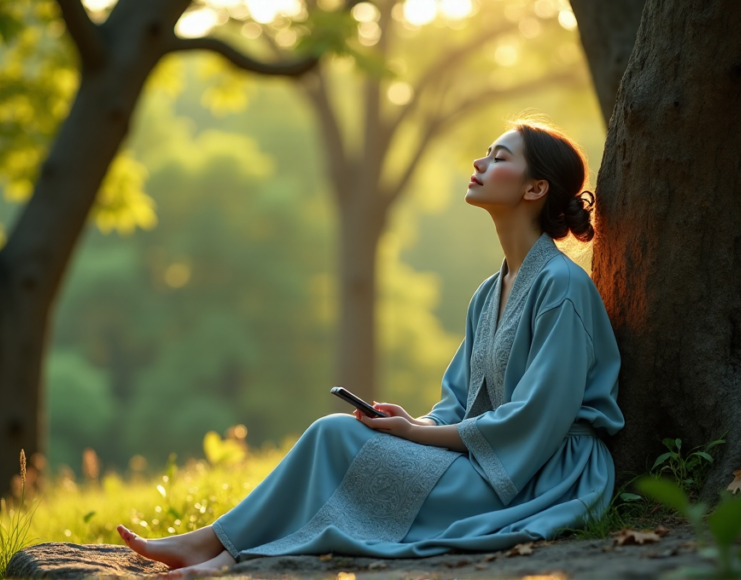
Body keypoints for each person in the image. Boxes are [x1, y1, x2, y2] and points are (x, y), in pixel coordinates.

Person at [116, 119, 626, 577]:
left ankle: (221, 551)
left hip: (542, 476)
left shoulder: (562, 286)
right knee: (334, 434)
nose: (479, 162)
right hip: (493, 460)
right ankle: (222, 550)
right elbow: (456, 403)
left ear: (535, 188)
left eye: (499, 157)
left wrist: (416, 436)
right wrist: (415, 424)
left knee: (335, 440)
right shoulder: (489, 291)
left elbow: (537, 419)